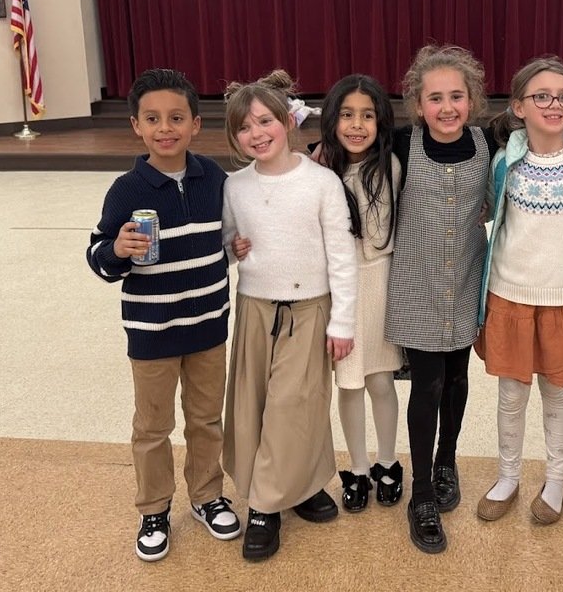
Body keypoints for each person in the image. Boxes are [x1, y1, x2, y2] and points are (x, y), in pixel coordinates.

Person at [385, 44, 563, 553]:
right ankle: (423, 494)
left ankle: (448, 464)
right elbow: (352, 145)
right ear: (418, 105)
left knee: (459, 380)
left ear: (477, 101)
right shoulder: (401, 143)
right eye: (435, 98)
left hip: (467, 282)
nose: (447, 107)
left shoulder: (491, 142)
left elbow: (556, 117)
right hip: (419, 288)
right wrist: (320, 151)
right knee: (427, 385)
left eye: (458, 96)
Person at [85, 68, 239, 562]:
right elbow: (97, 256)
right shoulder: (127, 190)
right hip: (152, 332)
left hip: (209, 326)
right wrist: (117, 250)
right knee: (152, 426)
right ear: (136, 125)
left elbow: (222, 242)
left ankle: (207, 496)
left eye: (176, 117)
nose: (164, 127)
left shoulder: (213, 176)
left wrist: (234, 248)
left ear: (196, 124)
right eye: (152, 118)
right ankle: (153, 507)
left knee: (205, 418)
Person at [221, 70, 358, 561]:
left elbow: (342, 255)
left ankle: (265, 504)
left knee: (296, 404)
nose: (256, 134)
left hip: (310, 309)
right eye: (244, 127)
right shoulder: (235, 186)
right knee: (256, 404)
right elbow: (232, 242)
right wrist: (233, 249)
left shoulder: (320, 182)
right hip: (257, 309)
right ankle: (293, 487)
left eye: (265, 121)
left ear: (286, 121)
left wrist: (343, 321)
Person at [474, 57, 563, 525]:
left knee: (558, 393)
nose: (554, 104)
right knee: (511, 395)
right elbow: (484, 214)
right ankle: (508, 476)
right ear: (518, 107)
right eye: (541, 96)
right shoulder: (504, 163)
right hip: (509, 295)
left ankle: (556, 482)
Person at [318, 74, 406, 511]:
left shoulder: (390, 163)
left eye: (367, 115)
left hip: (381, 283)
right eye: (347, 115)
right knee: (348, 384)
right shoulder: (319, 171)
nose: (357, 125)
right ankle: (354, 466)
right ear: (332, 119)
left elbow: (381, 234)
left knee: (381, 380)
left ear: (381, 121)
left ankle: (387, 461)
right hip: (340, 288)